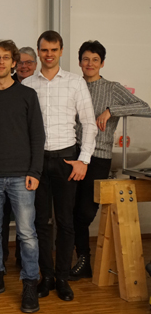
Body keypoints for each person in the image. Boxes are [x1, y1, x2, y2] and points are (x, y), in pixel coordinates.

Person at [22, 30, 97, 302]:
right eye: (44, 50)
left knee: (66, 223)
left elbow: (88, 123)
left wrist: (84, 160)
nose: (49, 54)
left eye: (53, 50)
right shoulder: (28, 84)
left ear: (61, 51)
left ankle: (63, 278)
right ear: (39, 51)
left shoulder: (76, 83)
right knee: (41, 223)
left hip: (67, 160)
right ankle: (47, 277)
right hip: (38, 162)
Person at [69, 40, 151, 281]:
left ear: (102, 63)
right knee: (70, 211)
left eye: (95, 59)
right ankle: (82, 259)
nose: (90, 63)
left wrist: (111, 110)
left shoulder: (112, 88)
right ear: (79, 62)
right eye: (85, 59)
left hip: (99, 157)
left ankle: (84, 258)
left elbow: (145, 107)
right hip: (72, 155)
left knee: (85, 211)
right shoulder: (73, 85)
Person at [0, 40, 44, 313]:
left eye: (6, 58)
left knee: (27, 234)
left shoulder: (27, 96)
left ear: (14, 63)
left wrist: (34, 172)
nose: (1, 62)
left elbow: (37, 136)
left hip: (22, 177)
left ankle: (29, 284)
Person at [4, 45, 38, 267]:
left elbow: (36, 133)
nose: (24, 66)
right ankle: (1, 264)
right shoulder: (2, 88)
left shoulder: (33, 92)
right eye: (21, 62)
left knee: (28, 225)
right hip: (2, 166)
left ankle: (27, 268)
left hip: (30, 165)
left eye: (29, 62)